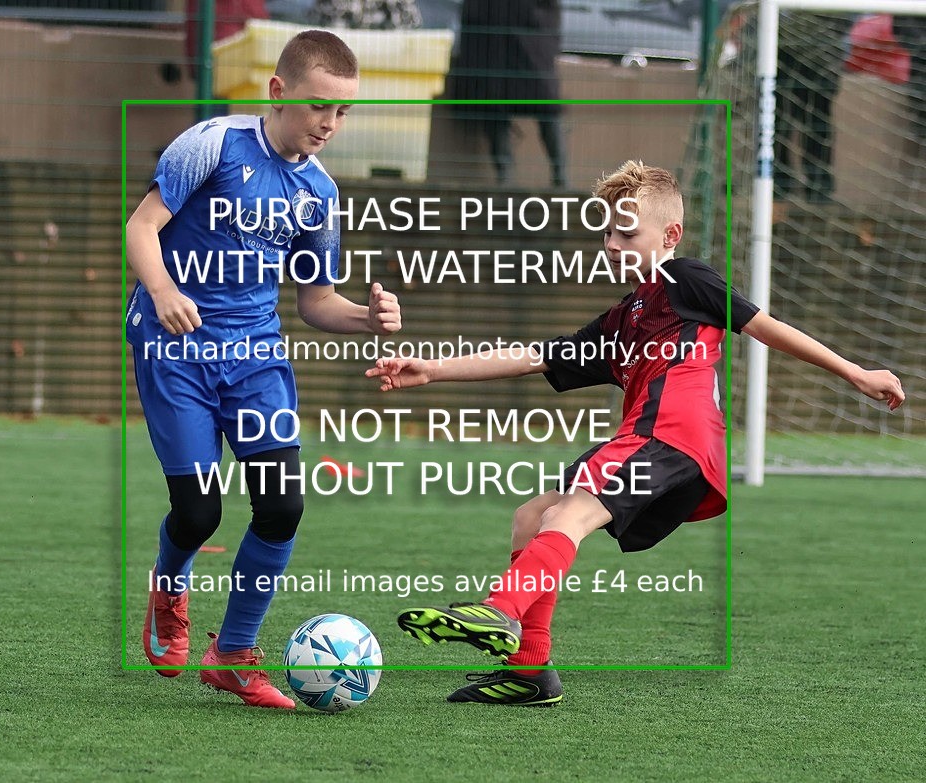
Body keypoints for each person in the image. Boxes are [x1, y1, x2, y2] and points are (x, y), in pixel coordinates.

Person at [366, 161, 904, 706]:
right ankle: (529, 671)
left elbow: (764, 326)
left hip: (671, 434)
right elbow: (534, 357)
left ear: (670, 235)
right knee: (532, 517)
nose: (612, 243)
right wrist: (434, 368)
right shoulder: (623, 318)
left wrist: (855, 372)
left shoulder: (684, 279)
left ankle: (500, 611)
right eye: (607, 231)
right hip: (658, 440)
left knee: (567, 516)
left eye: (628, 232)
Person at [126, 29, 402, 709]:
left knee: (282, 505)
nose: (331, 124)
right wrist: (163, 292)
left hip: (254, 355)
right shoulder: (211, 145)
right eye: (320, 108)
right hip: (176, 347)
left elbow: (314, 302)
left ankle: (234, 654)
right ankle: (169, 587)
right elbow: (141, 227)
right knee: (199, 511)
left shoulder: (320, 193)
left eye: (343, 112)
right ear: (278, 92)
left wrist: (367, 319)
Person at [449, 0, 566, 188]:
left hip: (525, 41)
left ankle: (560, 175)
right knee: (496, 104)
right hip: (496, 41)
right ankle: (506, 175)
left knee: (546, 106)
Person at [774, 12, 852, 203]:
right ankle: (779, 182)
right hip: (785, 45)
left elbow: (846, 15)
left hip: (824, 50)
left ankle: (818, 186)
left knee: (818, 121)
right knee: (779, 118)